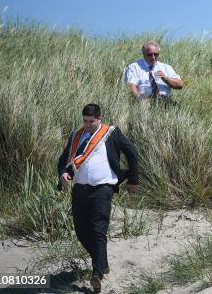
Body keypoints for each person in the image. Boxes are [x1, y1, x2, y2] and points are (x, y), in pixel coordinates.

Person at [57, 104, 139, 293]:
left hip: (103, 189)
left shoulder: (111, 133)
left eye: (91, 121)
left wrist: (133, 180)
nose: (87, 125)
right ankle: (102, 262)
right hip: (79, 189)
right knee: (81, 230)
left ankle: (97, 274)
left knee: (98, 229)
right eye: (84, 121)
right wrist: (62, 174)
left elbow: (132, 153)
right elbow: (62, 161)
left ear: (99, 118)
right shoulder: (76, 136)